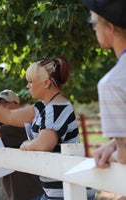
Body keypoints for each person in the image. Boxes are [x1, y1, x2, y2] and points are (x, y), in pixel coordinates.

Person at [0, 55, 95, 200]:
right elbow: (8, 116)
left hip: (68, 193)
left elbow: (43, 144)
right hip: (56, 191)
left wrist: (26, 145)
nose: (27, 86)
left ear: (47, 83)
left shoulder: (56, 108)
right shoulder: (43, 106)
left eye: (31, 82)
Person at [81, 0, 126, 169]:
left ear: (110, 27)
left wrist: (113, 155)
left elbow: (125, 156)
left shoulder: (112, 83)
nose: (93, 29)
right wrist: (115, 143)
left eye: (94, 23)